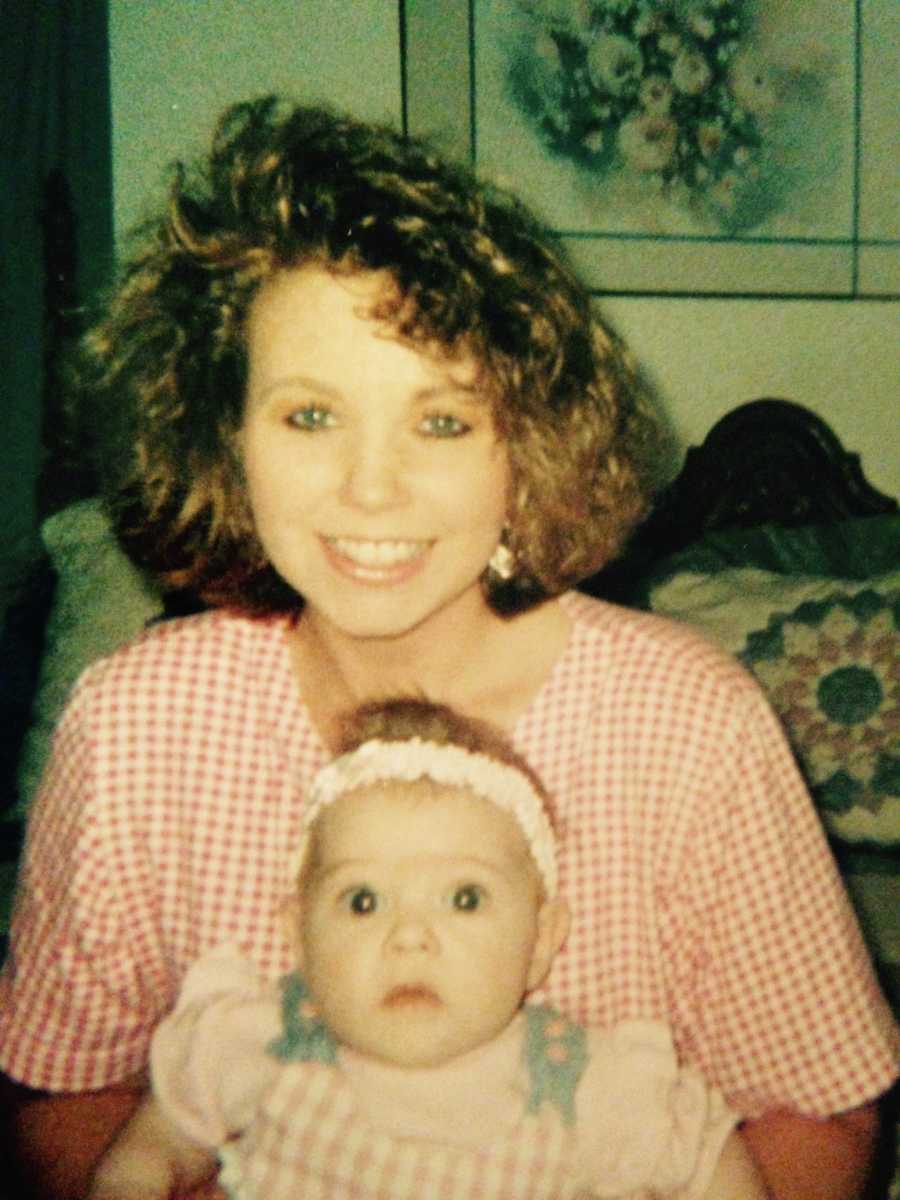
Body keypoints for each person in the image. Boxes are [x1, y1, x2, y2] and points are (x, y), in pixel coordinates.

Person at [0, 95, 896, 1200]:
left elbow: (815, 1107)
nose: (372, 490)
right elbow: (63, 1091)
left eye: (441, 422)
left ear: (526, 446)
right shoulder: (134, 724)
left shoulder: (693, 726)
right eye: (310, 416)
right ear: (224, 439)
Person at [89, 697, 766, 1200]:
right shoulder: (256, 1043)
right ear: (296, 934)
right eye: (363, 901)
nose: (409, 936)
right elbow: (155, 1150)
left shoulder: (591, 1088)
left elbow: (711, 1167)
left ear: (540, 943)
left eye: (465, 899)